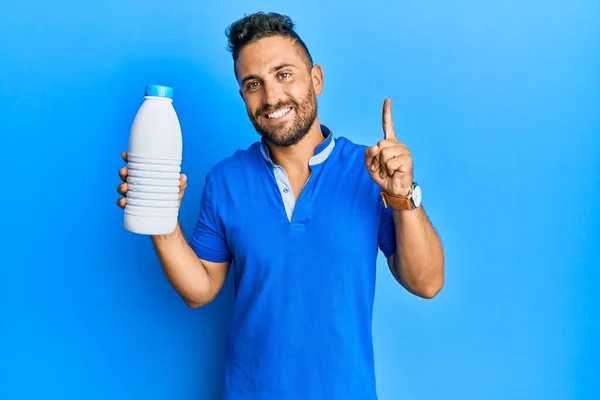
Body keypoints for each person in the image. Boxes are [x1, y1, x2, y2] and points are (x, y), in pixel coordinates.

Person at [116, 11, 444, 400]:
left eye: (283, 74)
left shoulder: (368, 171)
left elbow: (426, 283)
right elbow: (200, 289)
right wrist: (161, 220)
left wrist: (402, 196)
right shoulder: (226, 180)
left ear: (316, 79)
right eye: (254, 84)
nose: (271, 97)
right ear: (243, 96)